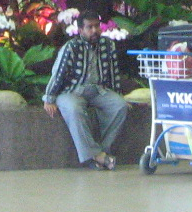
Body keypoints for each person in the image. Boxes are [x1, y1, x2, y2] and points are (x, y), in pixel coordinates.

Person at [42, 11, 128, 169]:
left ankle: (100, 151)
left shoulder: (108, 45)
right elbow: (58, 73)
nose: (94, 30)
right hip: (71, 91)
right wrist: (49, 97)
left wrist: (118, 94)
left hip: (98, 90)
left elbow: (114, 73)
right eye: (89, 27)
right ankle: (97, 156)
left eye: (97, 26)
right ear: (81, 30)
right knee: (74, 109)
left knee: (120, 106)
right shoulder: (71, 47)